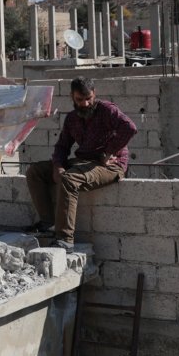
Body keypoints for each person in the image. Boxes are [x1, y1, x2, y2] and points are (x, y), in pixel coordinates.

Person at [25, 77, 138, 249]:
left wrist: (109, 151)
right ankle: (48, 224)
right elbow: (62, 145)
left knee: (69, 180)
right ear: (72, 97)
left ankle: (64, 239)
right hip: (83, 162)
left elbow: (129, 128)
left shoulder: (107, 110)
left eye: (88, 99)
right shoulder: (72, 119)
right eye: (80, 99)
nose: (85, 104)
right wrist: (58, 166)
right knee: (35, 172)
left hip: (110, 165)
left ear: (94, 94)